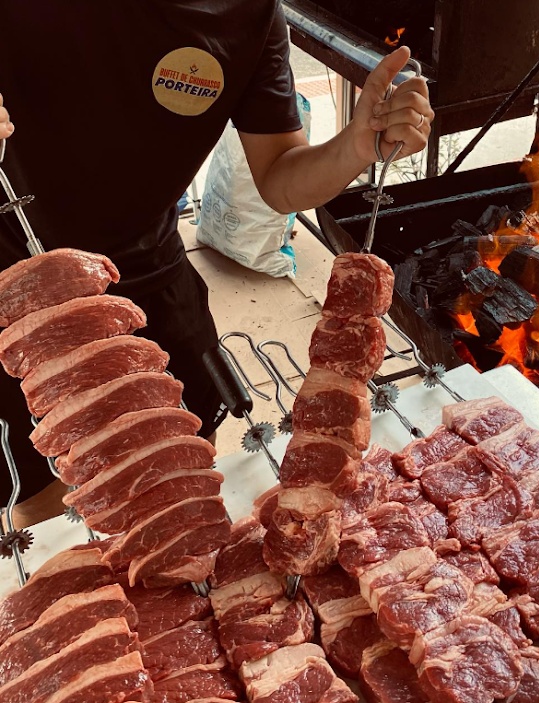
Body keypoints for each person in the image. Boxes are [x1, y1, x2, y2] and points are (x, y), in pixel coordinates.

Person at [0, 1, 434, 526]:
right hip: (16, 296)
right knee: (55, 510)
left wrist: (354, 147)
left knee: (189, 480)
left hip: (148, 270)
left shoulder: (251, 15)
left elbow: (278, 174)